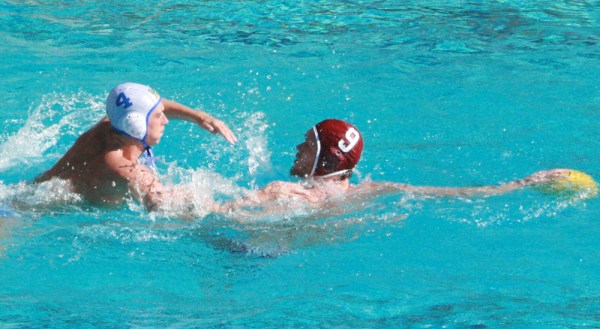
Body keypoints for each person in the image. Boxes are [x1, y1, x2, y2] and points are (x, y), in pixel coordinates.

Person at [217, 119, 597, 216]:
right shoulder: (374, 190)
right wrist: (525, 182)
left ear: (325, 159)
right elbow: (460, 195)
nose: (298, 147)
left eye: (308, 144)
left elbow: (203, 216)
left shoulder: (285, 193)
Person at [35, 82, 237, 211]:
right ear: (136, 125)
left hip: (30, 194)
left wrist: (199, 116)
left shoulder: (110, 125)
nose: (166, 120)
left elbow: (147, 105)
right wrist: (257, 200)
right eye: (158, 116)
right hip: (31, 213)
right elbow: (166, 206)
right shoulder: (124, 168)